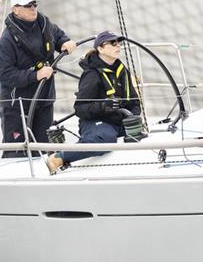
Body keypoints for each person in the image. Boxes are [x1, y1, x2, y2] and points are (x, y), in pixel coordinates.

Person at [0, 0, 76, 157]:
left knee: (45, 149)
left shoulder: (44, 24)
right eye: (27, 5)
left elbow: (59, 36)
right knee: (16, 151)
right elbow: (5, 75)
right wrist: (36, 75)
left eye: (34, 4)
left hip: (44, 99)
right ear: (15, 9)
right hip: (17, 106)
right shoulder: (6, 41)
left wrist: (65, 42)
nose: (33, 8)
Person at [47, 30, 141, 174]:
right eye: (113, 43)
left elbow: (134, 101)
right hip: (96, 123)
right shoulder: (92, 74)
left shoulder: (122, 71)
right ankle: (59, 157)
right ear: (100, 48)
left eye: (118, 43)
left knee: (142, 135)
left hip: (119, 122)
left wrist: (133, 116)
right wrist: (104, 106)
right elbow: (80, 108)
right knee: (106, 139)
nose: (118, 46)